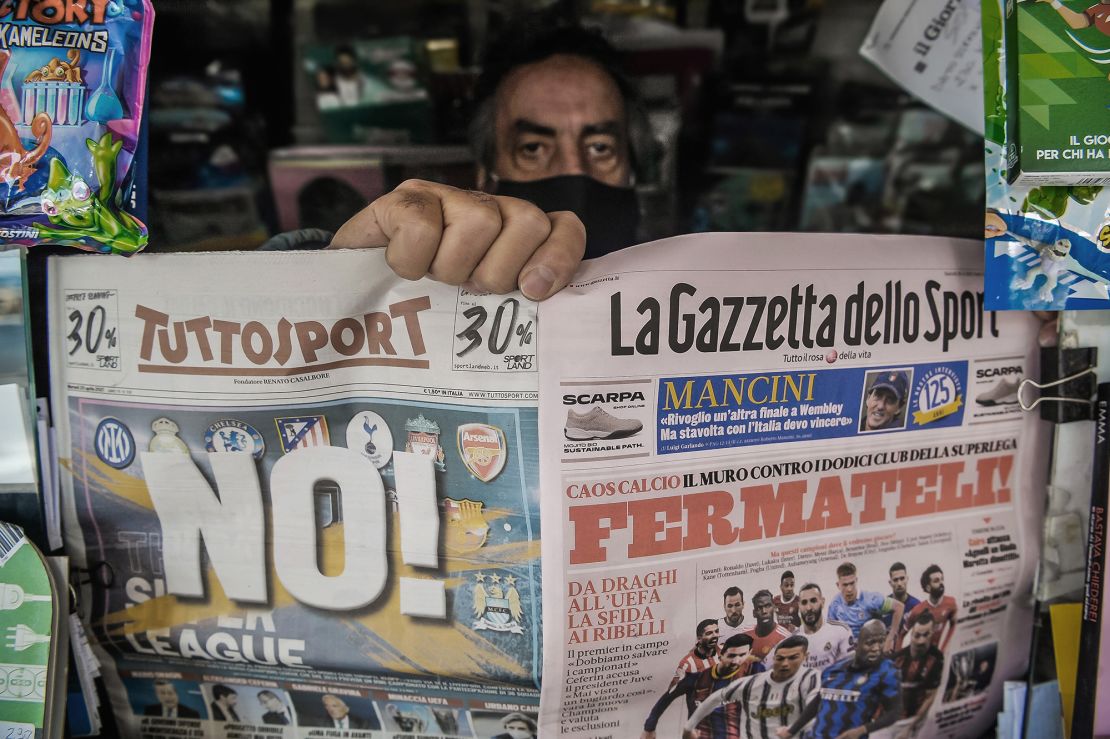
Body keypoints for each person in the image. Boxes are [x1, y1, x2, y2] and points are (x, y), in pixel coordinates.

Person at [270, 18, 655, 304]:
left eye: (601, 147)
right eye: (533, 149)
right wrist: (339, 278)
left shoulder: (685, 292)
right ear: (486, 176)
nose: (574, 171)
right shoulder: (429, 291)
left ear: (633, 169)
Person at [682, 635, 820, 739]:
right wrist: (689, 727)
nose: (785, 663)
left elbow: (816, 707)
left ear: (805, 657)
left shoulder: (810, 678)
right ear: (774, 659)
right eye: (780, 658)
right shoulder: (752, 683)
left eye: (793, 658)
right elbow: (715, 698)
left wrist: (792, 730)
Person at [783, 620, 903, 739]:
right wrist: (791, 731)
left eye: (881, 642)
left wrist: (861, 731)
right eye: (870, 643)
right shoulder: (834, 669)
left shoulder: (887, 671)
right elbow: (818, 701)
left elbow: (894, 713)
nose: (876, 648)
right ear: (857, 644)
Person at [642, 633, 764, 739]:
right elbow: (666, 698)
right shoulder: (696, 679)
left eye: (742, 655)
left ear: (749, 654)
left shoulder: (754, 671)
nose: (736, 661)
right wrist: (649, 728)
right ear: (720, 655)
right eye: (731, 656)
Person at [881, 612, 944, 739]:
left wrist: (910, 728)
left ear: (932, 633)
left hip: (914, 722)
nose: (921, 640)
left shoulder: (936, 659)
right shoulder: (896, 659)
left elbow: (930, 697)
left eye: (926, 635)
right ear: (911, 633)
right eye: (917, 635)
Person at [827, 562, 904, 652]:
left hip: (870, 650)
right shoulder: (835, 604)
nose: (849, 589)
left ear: (856, 580)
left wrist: (890, 639)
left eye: (852, 583)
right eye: (845, 585)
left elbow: (899, 607)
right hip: (847, 654)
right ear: (838, 585)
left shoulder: (870, 599)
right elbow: (830, 633)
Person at [796, 582, 853, 671]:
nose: (808, 608)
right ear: (799, 606)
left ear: (822, 602)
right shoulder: (793, 639)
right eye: (804, 602)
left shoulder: (841, 631)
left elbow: (851, 668)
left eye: (813, 601)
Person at [903, 565, 957, 652]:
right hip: (920, 653)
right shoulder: (917, 610)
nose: (941, 583)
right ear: (928, 587)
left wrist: (944, 648)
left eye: (942, 579)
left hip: (938, 654)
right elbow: (902, 634)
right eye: (936, 581)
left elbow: (954, 625)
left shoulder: (951, 603)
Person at [741, 590, 794, 663]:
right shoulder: (745, 633)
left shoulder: (786, 637)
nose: (764, 611)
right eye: (759, 608)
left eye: (768, 606)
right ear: (754, 613)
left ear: (774, 608)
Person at [672, 619, 721, 688]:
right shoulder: (687, 663)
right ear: (699, 639)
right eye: (709, 633)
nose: (715, 635)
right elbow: (672, 693)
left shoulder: (726, 650)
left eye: (716, 631)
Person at [885, 562, 920, 635]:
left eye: (902, 578)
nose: (899, 583)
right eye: (895, 580)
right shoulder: (883, 606)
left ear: (907, 579)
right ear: (890, 582)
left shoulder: (917, 606)